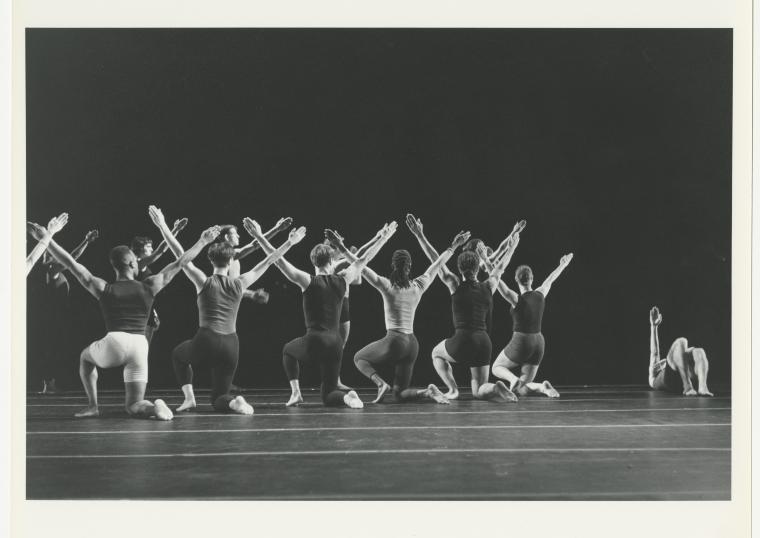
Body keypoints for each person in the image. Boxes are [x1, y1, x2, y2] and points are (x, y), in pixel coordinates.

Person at [26, 217, 218, 420]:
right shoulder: (150, 285)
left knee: (85, 357)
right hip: (139, 346)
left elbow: (70, 263)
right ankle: (155, 408)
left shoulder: (102, 287)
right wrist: (203, 241)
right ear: (131, 262)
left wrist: (46, 237)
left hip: (115, 343)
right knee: (134, 404)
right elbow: (181, 261)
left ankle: (93, 406)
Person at [149, 207, 304, 414]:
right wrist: (290, 242)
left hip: (206, 339)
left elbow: (180, 255)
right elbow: (269, 260)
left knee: (178, 355)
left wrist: (162, 225)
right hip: (231, 344)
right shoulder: (240, 283)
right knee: (219, 398)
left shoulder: (203, 281)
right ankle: (234, 402)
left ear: (211, 260)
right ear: (231, 261)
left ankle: (189, 399)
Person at [243, 217, 395, 408]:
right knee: (329, 393)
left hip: (314, 340)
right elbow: (364, 259)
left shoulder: (307, 280)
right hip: (335, 343)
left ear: (313, 261)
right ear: (332, 260)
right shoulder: (343, 279)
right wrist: (383, 238)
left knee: (288, 351)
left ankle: (296, 393)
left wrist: (258, 235)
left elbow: (278, 261)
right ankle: (348, 398)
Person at [327, 228, 471, 404]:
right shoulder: (419, 285)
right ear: (410, 266)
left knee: (359, 358)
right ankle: (427, 392)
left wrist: (341, 247)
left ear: (393, 266)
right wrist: (454, 245)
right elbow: (438, 264)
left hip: (395, 341)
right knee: (399, 394)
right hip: (412, 345)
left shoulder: (387, 285)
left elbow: (360, 265)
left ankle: (381, 384)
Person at [406, 215, 519, 402]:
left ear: (459, 268)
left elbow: (437, 261)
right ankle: (497, 387)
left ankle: (453, 390)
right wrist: (512, 247)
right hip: (484, 342)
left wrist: (420, 235)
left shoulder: (454, 283)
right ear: (478, 268)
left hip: (463, 340)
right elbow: (499, 268)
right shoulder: (489, 285)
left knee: (436, 353)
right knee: (479, 388)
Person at [488, 252, 573, 399]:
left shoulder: (516, 299)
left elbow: (496, 278)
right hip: (539, 343)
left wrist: (486, 261)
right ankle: (542, 387)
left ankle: (513, 379)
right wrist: (563, 265)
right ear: (532, 278)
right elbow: (550, 279)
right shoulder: (540, 294)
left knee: (496, 368)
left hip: (522, 341)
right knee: (521, 390)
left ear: (516, 279)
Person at [35, 228, 99, 394]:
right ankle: (48, 385)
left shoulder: (52, 269)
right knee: (51, 350)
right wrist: (86, 241)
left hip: (58, 318)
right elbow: (72, 259)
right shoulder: (49, 268)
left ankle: (50, 383)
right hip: (52, 320)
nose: (48, 255)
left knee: (55, 350)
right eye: (47, 253)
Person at [131, 217, 188, 343]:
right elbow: (160, 250)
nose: (151, 249)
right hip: (139, 318)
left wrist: (154, 312)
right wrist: (175, 229)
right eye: (149, 246)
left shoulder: (143, 266)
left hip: (147, 314)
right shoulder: (137, 263)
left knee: (143, 354)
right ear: (140, 249)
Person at [216, 218, 293, 301]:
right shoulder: (222, 253)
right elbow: (254, 245)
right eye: (235, 234)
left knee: (268, 261)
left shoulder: (232, 258)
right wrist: (276, 229)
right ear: (227, 237)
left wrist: (252, 294)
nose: (238, 236)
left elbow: (233, 288)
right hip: (217, 305)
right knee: (268, 261)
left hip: (225, 306)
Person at [648, 306, 713, 396]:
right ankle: (687, 387)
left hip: (681, 376)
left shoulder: (671, 362)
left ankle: (702, 387)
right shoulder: (654, 375)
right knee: (682, 341)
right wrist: (653, 327)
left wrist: (690, 352)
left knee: (699, 351)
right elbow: (654, 353)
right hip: (670, 380)